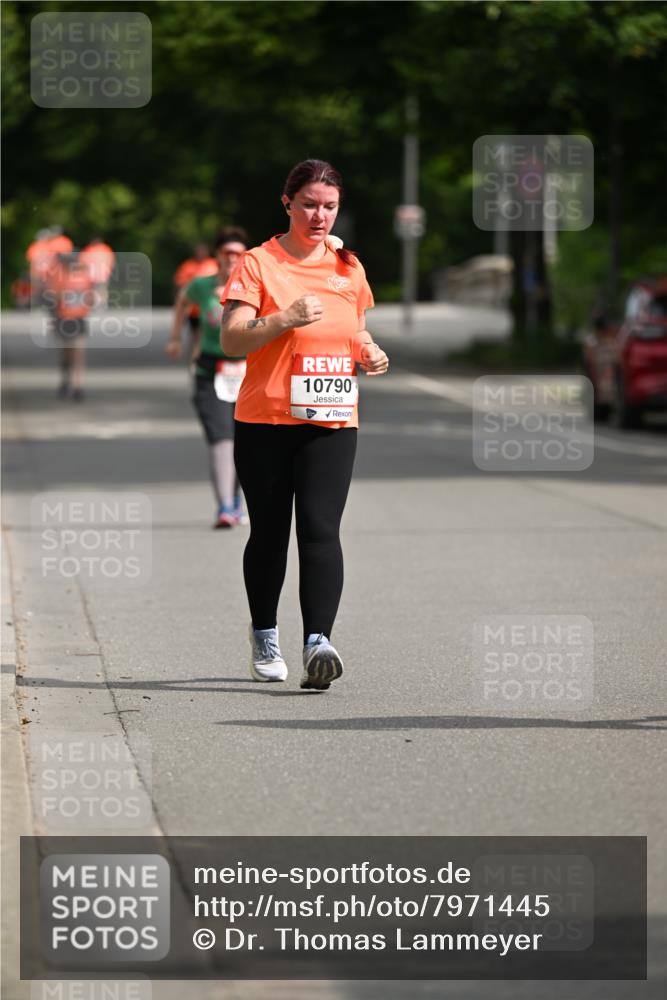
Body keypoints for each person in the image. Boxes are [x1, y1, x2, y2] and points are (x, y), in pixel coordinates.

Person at [220, 159, 389, 690]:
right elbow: (233, 339)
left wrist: (369, 350)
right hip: (266, 417)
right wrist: (284, 319)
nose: (320, 216)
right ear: (288, 203)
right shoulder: (257, 262)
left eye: (330, 206)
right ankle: (265, 634)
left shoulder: (348, 267)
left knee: (320, 530)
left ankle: (319, 641)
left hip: (333, 417)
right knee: (270, 535)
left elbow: (353, 329)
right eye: (310, 204)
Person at [166, 228, 249, 528]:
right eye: (226, 253)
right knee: (221, 438)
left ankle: (237, 497)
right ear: (216, 256)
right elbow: (182, 302)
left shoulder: (254, 285)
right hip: (210, 371)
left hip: (249, 373)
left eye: (238, 253)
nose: (231, 259)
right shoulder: (201, 286)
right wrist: (175, 337)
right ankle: (225, 506)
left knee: (246, 443)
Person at [43, 251, 95, 401]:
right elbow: (52, 300)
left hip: (79, 318)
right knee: (66, 352)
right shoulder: (59, 278)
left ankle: (78, 385)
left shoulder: (85, 277)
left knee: (78, 351)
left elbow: (91, 296)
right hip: (63, 319)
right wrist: (53, 318)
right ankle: (65, 380)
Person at [173, 243, 218, 358]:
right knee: (196, 336)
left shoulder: (213, 264)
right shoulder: (188, 266)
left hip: (210, 309)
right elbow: (181, 286)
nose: (200, 254)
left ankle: (203, 355)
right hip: (194, 310)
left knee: (206, 334)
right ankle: (196, 358)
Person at [79, 237, 115, 309]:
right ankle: (102, 303)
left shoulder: (89, 249)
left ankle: (96, 303)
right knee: (102, 288)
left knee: (92, 289)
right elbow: (111, 260)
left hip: (91, 274)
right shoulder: (106, 249)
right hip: (103, 273)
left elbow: (83, 261)